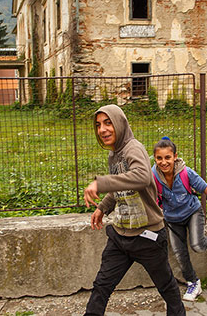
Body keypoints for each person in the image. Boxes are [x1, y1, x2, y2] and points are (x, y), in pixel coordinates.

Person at [82, 105, 185, 316]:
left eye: (108, 123)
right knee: (102, 285)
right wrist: (103, 207)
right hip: (121, 235)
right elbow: (122, 185)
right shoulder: (115, 154)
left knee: (166, 286)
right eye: (98, 125)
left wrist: (100, 183)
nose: (102, 129)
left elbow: (142, 177)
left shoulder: (132, 148)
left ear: (120, 123)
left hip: (148, 236)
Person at [151, 137, 207, 301]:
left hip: (192, 212)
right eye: (159, 158)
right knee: (180, 254)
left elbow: (202, 186)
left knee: (197, 245)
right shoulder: (154, 176)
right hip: (172, 220)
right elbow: (151, 196)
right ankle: (193, 282)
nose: (163, 162)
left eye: (167, 157)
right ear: (155, 158)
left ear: (175, 156)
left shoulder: (185, 172)